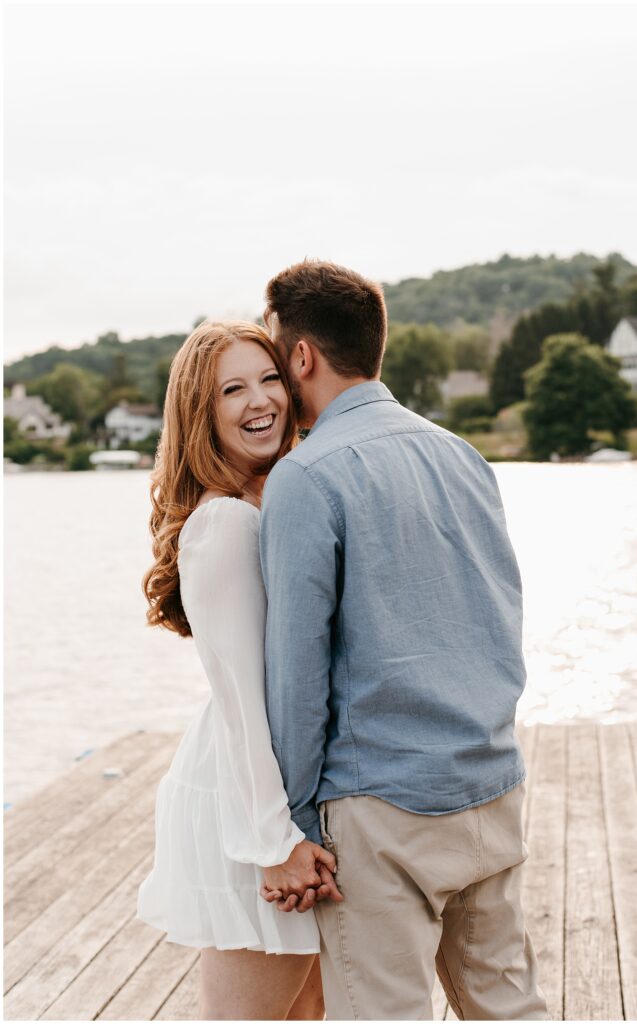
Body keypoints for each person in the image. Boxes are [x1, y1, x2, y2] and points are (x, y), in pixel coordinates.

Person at [258, 261, 548, 1021]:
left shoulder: (306, 475)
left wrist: (290, 824)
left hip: (380, 809)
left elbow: (295, 671)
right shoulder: (462, 455)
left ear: (300, 357)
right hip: (490, 783)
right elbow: (499, 615)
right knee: (509, 1010)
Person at [136, 320, 342, 1021]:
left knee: (306, 1012)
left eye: (269, 379)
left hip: (273, 795)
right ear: (202, 412)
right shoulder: (223, 525)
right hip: (245, 801)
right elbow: (239, 698)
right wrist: (272, 840)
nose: (261, 402)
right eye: (233, 389)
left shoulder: (279, 498)